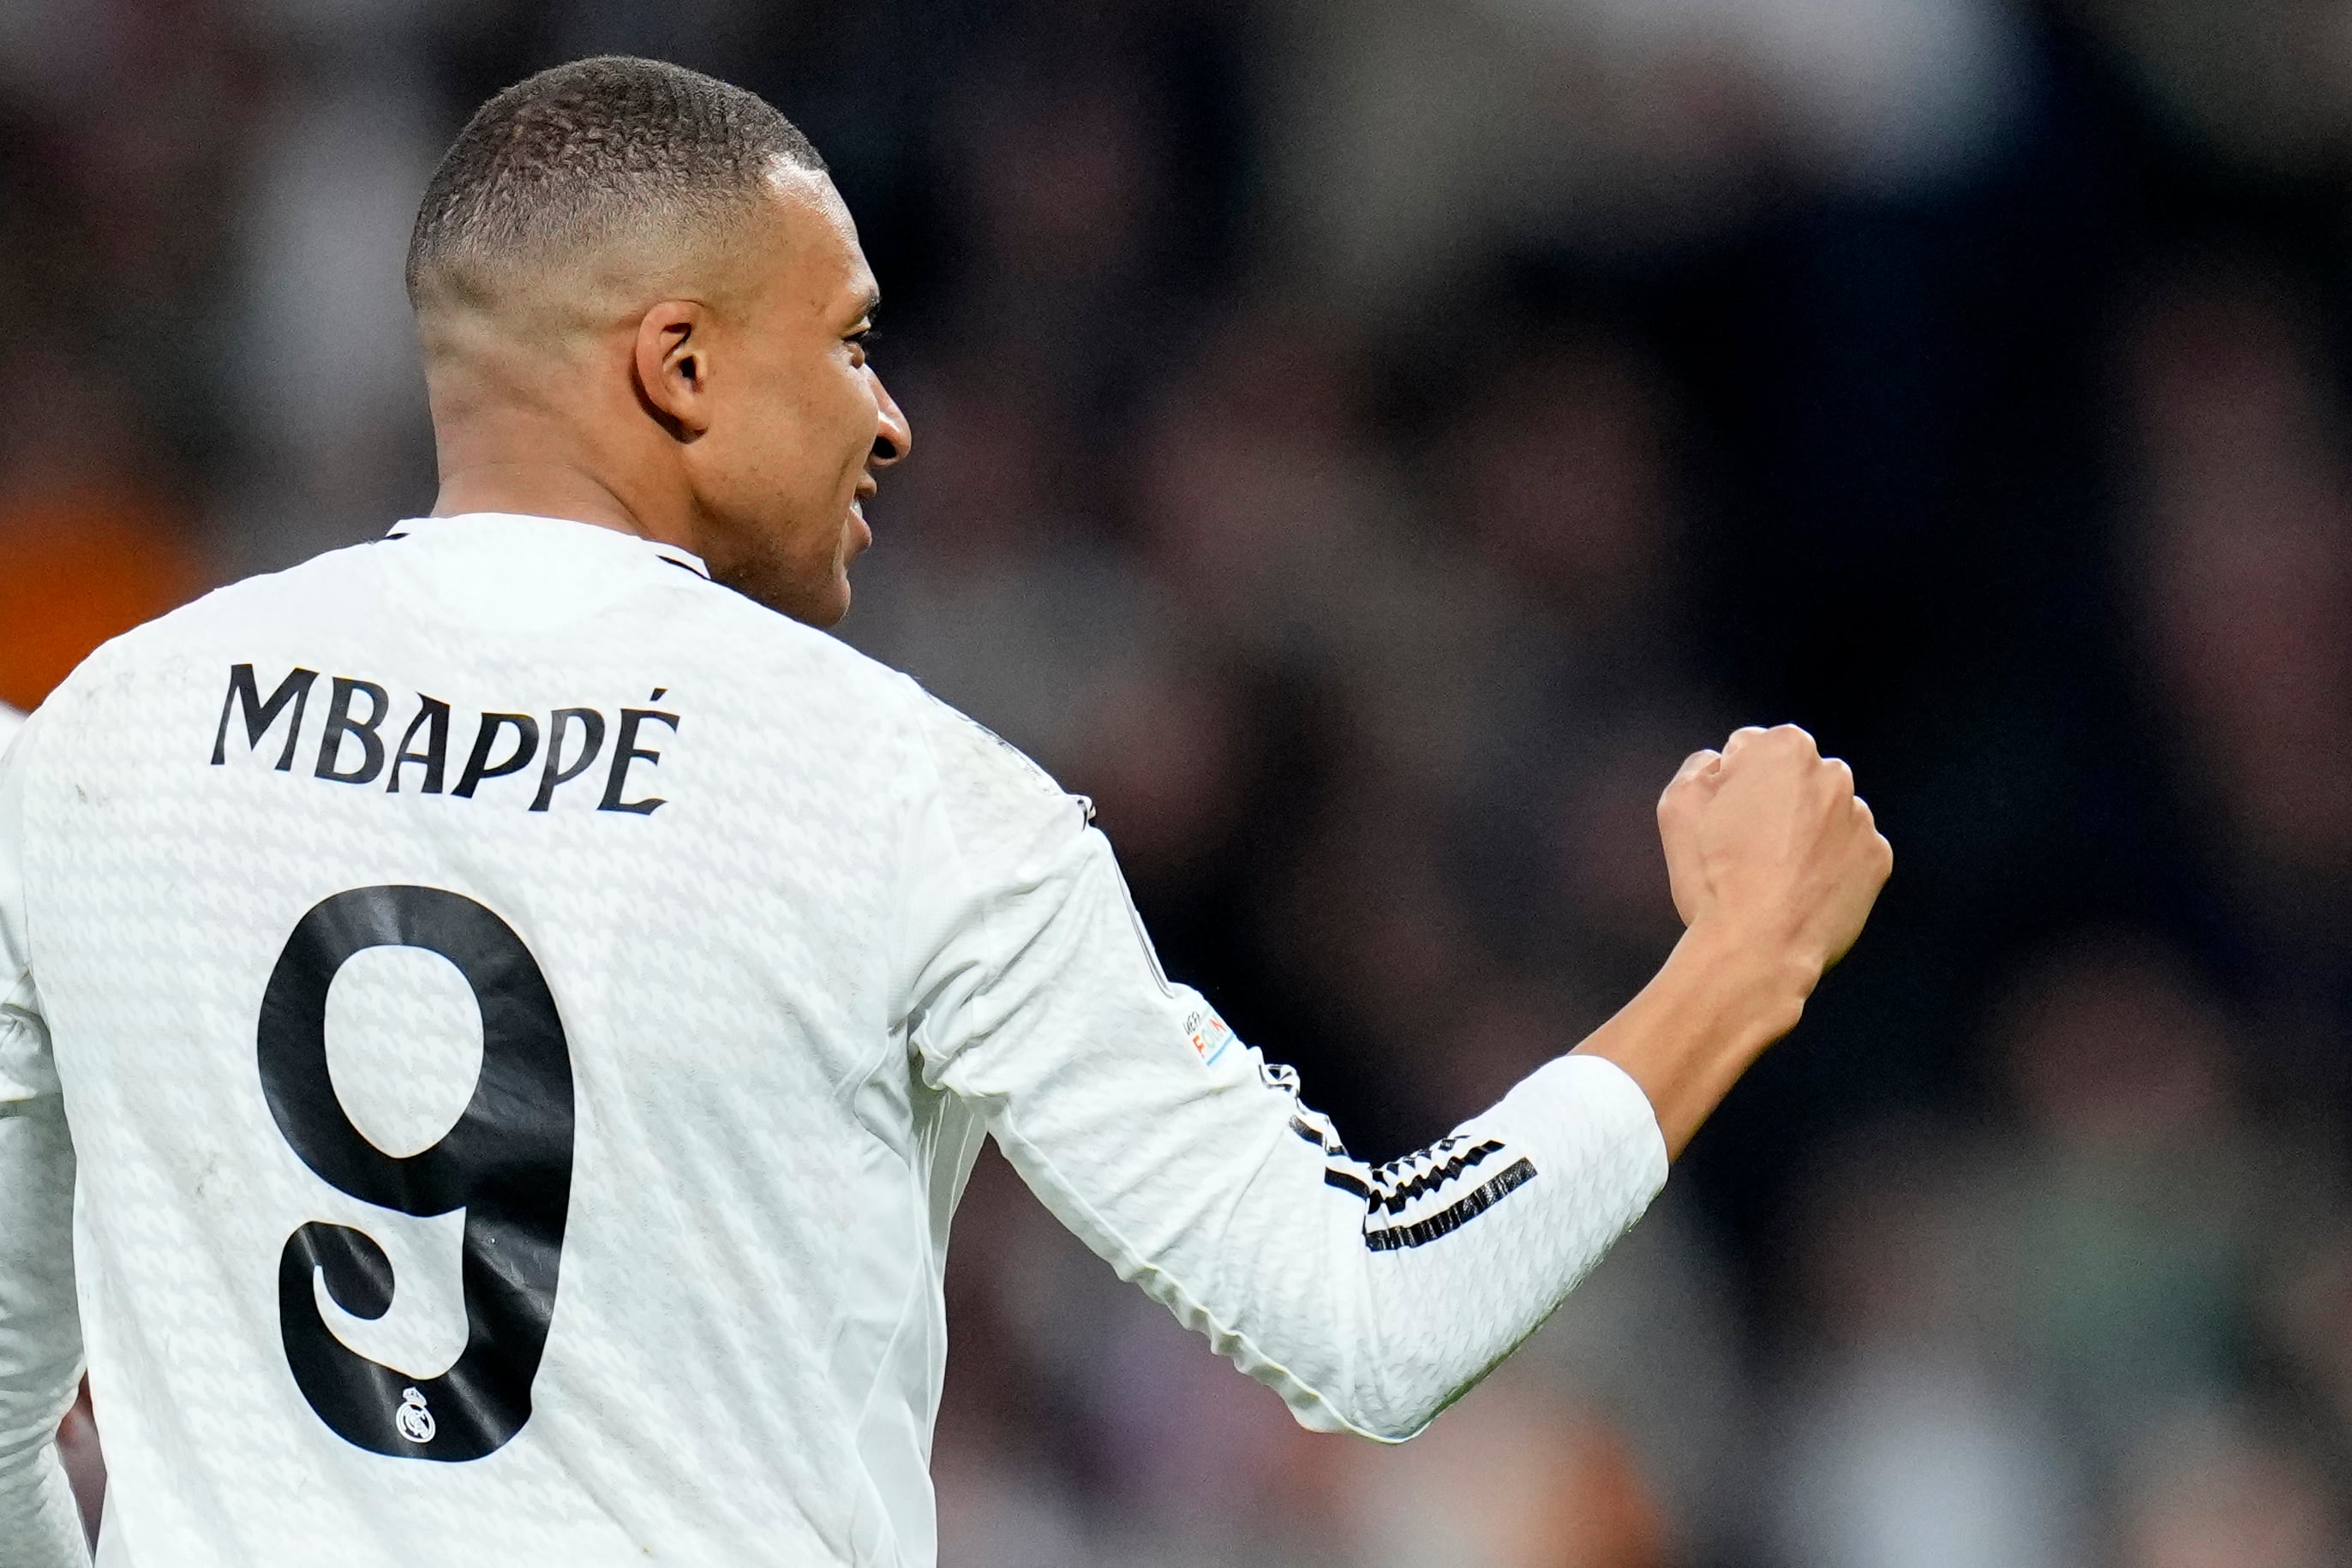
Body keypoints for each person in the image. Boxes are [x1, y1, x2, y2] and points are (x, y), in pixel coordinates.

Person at [0, 57, 1891, 1567]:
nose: (888, 417)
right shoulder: (898, 797)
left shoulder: (102, 737)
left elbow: (5, 1419)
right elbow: (1366, 1313)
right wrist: (1738, 960)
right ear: (676, 365)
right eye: (841, 342)